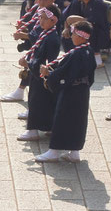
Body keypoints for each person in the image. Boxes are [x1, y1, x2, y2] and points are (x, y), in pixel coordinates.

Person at [38, 20, 97, 162]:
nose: (71, 37)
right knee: (78, 121)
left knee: (62, 120)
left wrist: (49, 74)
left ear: (82, 37)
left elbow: (64, 73)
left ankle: (54, 151)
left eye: (74, 34)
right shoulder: (89, 51)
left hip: (71, 92)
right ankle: (74, 151)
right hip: (82, 92)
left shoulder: (76, 54)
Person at [17, 6, 61, 141]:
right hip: (38, 73)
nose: (41, 21)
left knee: (37, 101)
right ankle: (48, 127)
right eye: (41, 18)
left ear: (53, 21)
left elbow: (47, 61)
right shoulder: (46, 33)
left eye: (45, 19)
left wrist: (29, 64)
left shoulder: (52, 38)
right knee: (43, 102)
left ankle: (33, 130)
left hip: (42, 75)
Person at [63, 0, 110, 67]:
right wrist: (66, 28)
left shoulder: (98, 2)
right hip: (82, 29)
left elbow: (96, 23)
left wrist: (79, 20)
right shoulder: (77, 1)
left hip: (100, 34)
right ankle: (72, 57)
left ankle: (96, 59)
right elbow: (67, 16)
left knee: (89, 31)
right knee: (66, 35)